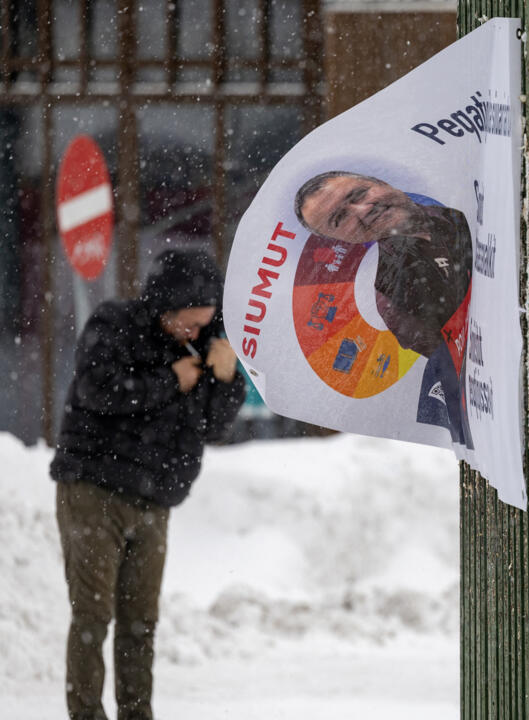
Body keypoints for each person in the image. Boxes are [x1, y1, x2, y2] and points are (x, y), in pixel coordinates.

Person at [51, 248, 246, 720]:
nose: (195, 333)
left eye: (203, 325)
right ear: (165, 306)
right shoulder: (115, 323)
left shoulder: (199, 348)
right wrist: (167, 381)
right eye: (189, 323)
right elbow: (94, 390)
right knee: (93, 619)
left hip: (155, 501)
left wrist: (225, 380)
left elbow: (213, 427)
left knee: (141, 623)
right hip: (94, 491)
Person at [294, 170, 473, 446]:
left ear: (382, 183)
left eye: (359, 194)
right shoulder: (392, 298)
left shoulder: (468, 199)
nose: (363, 210)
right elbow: (462, 369)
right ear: (343, 241)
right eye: (340, 219)